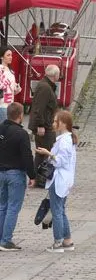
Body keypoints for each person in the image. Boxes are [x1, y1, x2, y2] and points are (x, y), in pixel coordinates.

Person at [35, 109, 76, 253]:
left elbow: (60, 161)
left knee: (57, 211)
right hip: (63, 179)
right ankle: (67, 240)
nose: (53, 123)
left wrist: (48, 153)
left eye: (55, 120)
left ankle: (58, 241)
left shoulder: (65, 140)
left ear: (63, 123)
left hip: (59, 179)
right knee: (60, 210)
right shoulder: (66, 139)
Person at [0, 102, 36, 251]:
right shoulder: (21, 134)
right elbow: (27, 156)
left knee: (2, 206)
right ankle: (6, 240)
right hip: (15, 174)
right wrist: (32, 175)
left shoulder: (1, 129)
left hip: (1, 172)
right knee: (13, 208)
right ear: (20, 116)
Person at [29, 64, 59, 181]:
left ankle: (38, 178)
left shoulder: (46, 86)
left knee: (42, 152)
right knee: (46, 152)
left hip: (45, 124)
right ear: (55, 75)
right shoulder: (45, 87)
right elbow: (39, 108)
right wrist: (40, 125)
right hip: (44, 126)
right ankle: (41, 178)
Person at [0, 47, 19, 122]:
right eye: (8, 55)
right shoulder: (0, 69)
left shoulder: (11, 71)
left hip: (10, 104)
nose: (11, 57)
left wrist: (16, 87)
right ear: (1, 57)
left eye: (11, 55)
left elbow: (12, 89)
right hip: (2, 104)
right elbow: (2, 86)